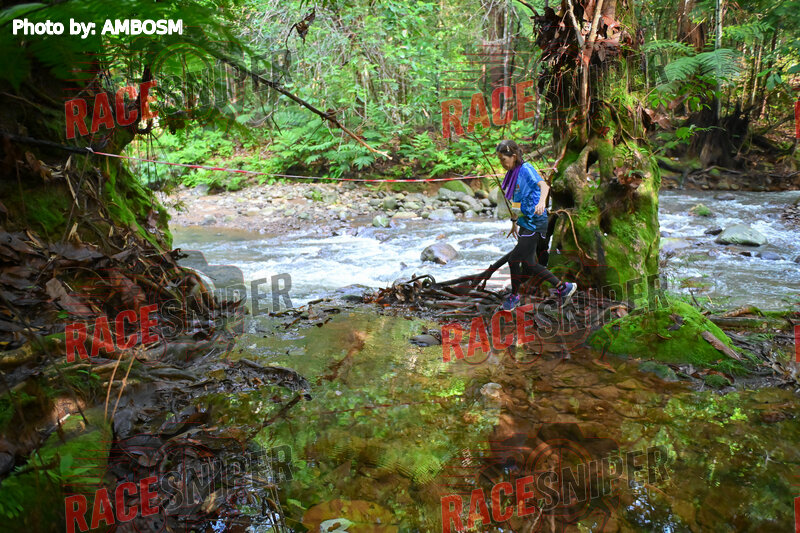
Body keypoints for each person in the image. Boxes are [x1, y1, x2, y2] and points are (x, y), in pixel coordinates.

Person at [495, 139, 577, 311]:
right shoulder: (513, 173)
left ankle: (515, 297)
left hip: (535, 221)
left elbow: (544, 186)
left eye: (503, 159)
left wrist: (541, 203)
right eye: (500, 159)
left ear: (514, 156)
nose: (502, 163)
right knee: (528, 263)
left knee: (514, 260)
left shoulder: (526, 169)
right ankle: (563, 288)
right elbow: (517, 201)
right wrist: (514, 222)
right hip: (525, 222)